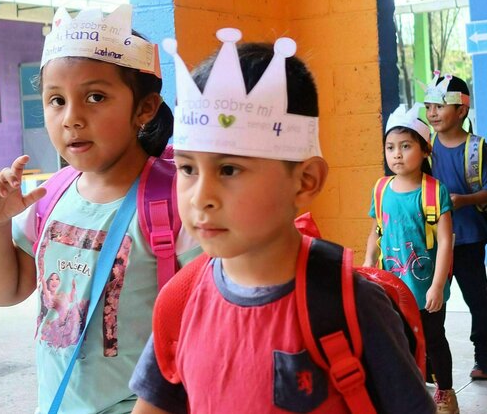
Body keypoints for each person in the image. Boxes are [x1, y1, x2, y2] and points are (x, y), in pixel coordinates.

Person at [128, 29, 435, 414]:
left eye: (228, 169)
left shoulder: (351, 306)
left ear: (305, 182)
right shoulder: (179, 301)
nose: (200, 196)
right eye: (187, 168)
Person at [0, 5, 197, 412]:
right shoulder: (50, 198)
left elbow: (204, 325)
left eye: (95, 97)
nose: (72, 118)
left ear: (145, 109)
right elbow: (6, 291)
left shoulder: (176, 201)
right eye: (56, 100)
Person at [363, 104, 457, 413]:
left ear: (425, 150)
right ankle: (411, 394)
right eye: (391, 147)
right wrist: (366, 267)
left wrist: (438, 286)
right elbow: (376, 232)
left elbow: (446, 241)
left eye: (406, 146)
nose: (397, 154)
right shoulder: (381, 188)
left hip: (423, 288)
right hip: (390, 287)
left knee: (433, 339)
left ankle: (444, 392)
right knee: (399, 342)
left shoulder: (433, 192)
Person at [425, 73, 487, 380]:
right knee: (432, 300)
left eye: (440, 106)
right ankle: (430, 361)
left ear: (461, 110)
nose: (432, 113)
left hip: (468, 239)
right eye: (428, 106)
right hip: (432, 240)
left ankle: (485, 357)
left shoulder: (477, 149)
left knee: (476, 299)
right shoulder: (425, 147)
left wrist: (464, 200)